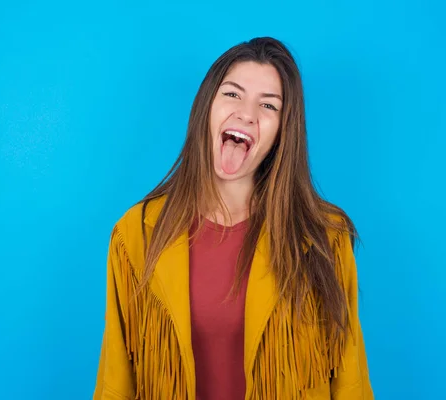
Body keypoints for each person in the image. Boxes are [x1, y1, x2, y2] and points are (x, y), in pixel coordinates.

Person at [93, 37, 374, 400]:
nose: (247, 113)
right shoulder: (135, 234)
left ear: (282, 131)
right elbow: (116, 381)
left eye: (268, 105)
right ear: (206, 107)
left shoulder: (324, 238)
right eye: (232, 94)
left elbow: (350, 380)